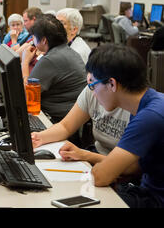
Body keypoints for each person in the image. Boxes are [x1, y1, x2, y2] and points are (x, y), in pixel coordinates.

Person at [61, 44, 164, 208]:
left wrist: (104, 170)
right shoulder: (149, 103)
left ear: (112, 84)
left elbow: (101, 176)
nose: (93, 93)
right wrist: (86, 155)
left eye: (93, 85)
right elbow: (133, 167)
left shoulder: (149, 117)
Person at [31, 85, 131, 159]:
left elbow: (130, 167)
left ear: (112, 83)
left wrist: (84, 155)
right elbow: (66, 126)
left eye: (93, 82)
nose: (93, 93)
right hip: (97, 155)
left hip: (116, 167)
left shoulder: (136, 108)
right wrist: (39, 137)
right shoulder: (92, 89)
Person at [21, 14, 87, 124]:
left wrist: (25, 62)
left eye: (34, 37)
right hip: (73, 118)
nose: (32, 40)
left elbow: (26, 96)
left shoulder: (50, 60)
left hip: (56, 119)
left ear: (44, 41)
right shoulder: (69, 51)